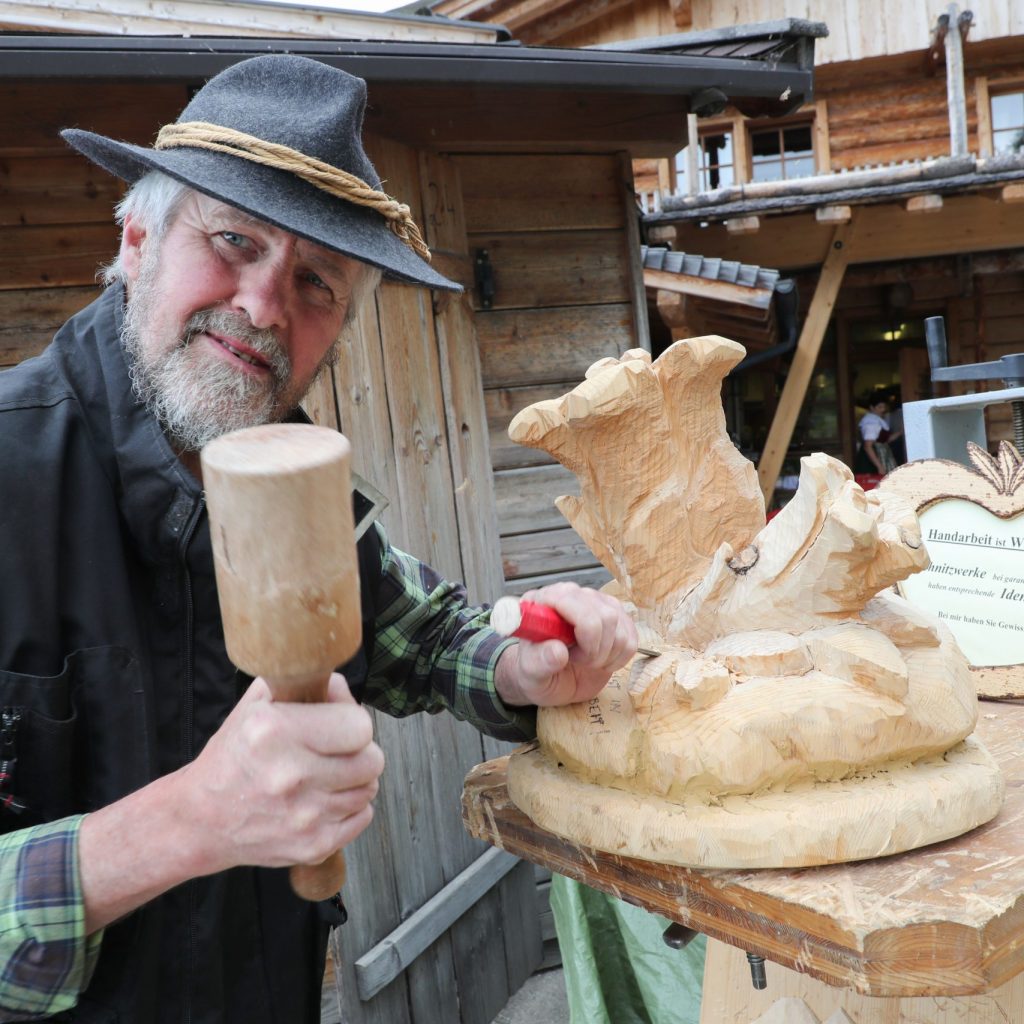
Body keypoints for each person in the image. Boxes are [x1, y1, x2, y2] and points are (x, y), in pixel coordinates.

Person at [0, 55, 637, 1023]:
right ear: (136, 239)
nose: (263, 306)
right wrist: (192, 820)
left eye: (315, 282)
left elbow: (421, 638)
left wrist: (522, 669)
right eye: (233, 241)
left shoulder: (290, 478)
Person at [853, 389, 900, 476]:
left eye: (884, 407)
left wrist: (901, 432)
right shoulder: (870, 422)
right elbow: (868, 446)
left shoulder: (877, 419)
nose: (883, 409)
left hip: (882, 454)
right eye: (880, 407)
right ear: (871, 407)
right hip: (872, 460)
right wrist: (879, 466)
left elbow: (885, 440)